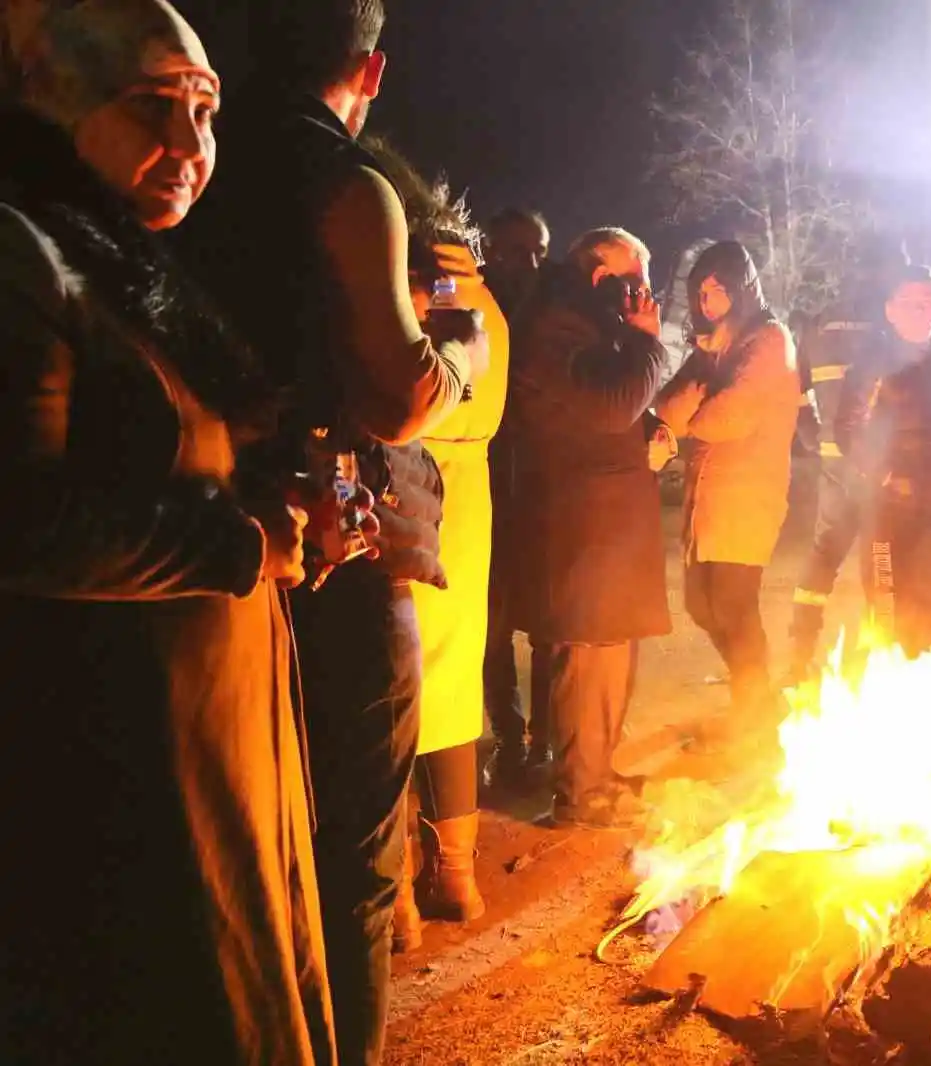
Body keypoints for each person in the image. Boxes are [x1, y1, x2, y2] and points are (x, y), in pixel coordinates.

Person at [0, 3, 334, 1062]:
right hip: (121, 758)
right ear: (62, 103)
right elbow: (22, 523)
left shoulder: (127, 256)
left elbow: (184, 453)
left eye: (206, 111)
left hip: (218, 741)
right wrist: (238, 546)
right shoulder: (22, 254)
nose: (192, 147)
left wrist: (299, 510)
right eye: (156, 108)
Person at [171, 2, 486, 1061]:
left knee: (236, 852)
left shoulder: (195, 166)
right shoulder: (349, 184)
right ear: (372, 66)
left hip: (201, 540)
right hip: (332, 548)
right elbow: (400, 398)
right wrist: (461, 355)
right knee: (354, 856)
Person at [362, 139, 509, 944]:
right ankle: (460, 878)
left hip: (412, 488)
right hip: (474, 502)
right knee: (455, 694)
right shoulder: (495, 307)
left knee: (397, 695)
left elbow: (407, 389)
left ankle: (404, 903)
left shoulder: (416, 295)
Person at [504, 227, 671, 828]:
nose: (645, 294)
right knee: (588, 656)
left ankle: (596, 772)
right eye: (638, 280)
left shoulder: (584, 318)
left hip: (606, 516)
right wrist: (649, 345)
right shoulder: (557, 320)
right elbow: (608, 406)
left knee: (610, 652)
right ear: (603, 276)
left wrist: (649, 425)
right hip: (582, 519)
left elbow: (613, 403)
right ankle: (579, 792)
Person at [656, 240, 800, 716]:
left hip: (749, 495)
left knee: (734, 607)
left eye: (718, 290)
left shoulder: (769, 340)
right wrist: (699, 393)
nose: (708, 301)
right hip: (709, 495)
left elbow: (732, 416)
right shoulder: (713, 348)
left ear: (742, 289)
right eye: (702, 292)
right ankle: (756, 696)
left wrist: (694, 415)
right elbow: (667, 410)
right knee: (701, 604)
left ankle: (755, 713)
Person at [837, 264, 931, 656]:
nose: (919, 311)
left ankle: (919, 691)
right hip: (885, 514)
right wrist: (886, 478)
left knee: (925, 610)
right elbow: (850, 430)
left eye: (927, 302)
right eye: (909, 303)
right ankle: (882, 694)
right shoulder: (875, 366)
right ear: (890, 309)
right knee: (885, 612)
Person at [785, 235, 911, 681]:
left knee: (821, 558)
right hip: (876, 469)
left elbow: (794, 391)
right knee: (880, 563)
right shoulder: (886, 332)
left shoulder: (817, 326)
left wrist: (812, 436)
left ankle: (798, 656)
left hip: (833, 463)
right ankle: (880, 666)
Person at [482, 211, 553, 796]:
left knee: (548, 624)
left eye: (537, 251)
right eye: (513, 251)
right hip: (482, 491)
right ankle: (508, 734)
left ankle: (547, 738)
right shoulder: (469, 298)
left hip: (542, 489)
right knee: (491, 628)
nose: (526, 263)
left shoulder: (556, 306)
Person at [483, 205, 549, 321]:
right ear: (491, 252)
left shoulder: (551, 309)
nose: (532, 264)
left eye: (539, 252)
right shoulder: (460, 298)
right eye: (519, 251)